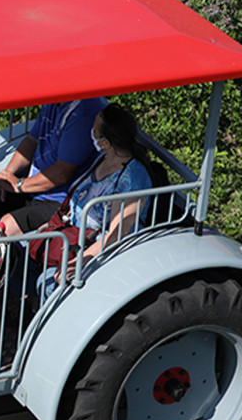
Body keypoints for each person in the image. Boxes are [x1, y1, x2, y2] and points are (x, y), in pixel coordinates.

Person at [34, 102, 153, 297]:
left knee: (46, 283)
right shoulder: (103, 159)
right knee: (28, 250)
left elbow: (117, 234)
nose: (91, 133)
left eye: (94, 130)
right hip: (74, 236)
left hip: (101, 251)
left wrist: (80, 260)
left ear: (106, 142)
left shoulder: (133, 180)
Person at [0, 98, 106, 235]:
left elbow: (62, 172)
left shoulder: (83, 112)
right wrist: (5, 178)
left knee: (6, 226)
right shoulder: (55, 100)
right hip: (32, 188)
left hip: (61, 202)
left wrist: (19, 185)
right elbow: (32, 140)